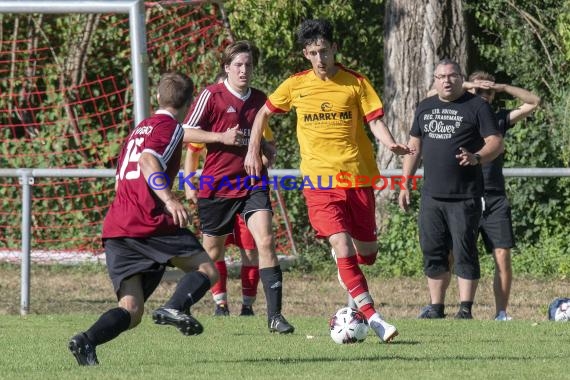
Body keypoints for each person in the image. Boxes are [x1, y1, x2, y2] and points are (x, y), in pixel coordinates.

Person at [244, 19, 413, 343]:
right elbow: (262, 114)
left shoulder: (356, 83)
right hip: (319, 180)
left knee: (368, 253)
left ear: (334, 49)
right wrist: (255, 150)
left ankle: (347, 267)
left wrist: (390, 143)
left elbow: (375, 121)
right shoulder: (295, 84)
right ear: (306, 54)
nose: (319, 58)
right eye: (312, 53)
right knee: (342, 244)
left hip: (358, 177)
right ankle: (376, 320)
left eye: (324, 51)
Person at [68, 72, 218, 366]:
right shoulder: (171, 128)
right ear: (189, 103)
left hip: (117, 223)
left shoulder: (138, 130)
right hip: (145, 219)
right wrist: (169, 199)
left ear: (158, 98)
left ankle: (85, 341)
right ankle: (175, 308)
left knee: (132, 310)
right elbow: (148, 162)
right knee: (206, 269)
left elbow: (120, 179)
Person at [182, 40, 294, 334]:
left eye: (248, 65)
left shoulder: (260, 99)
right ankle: (181, 305)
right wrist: (221, 138)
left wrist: (268, 149)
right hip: (217, 185)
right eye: (238, 65)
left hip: (253, 182)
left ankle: (275, 316)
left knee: (266, 242)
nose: (244, 70)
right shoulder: (211, 95)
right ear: (227, 68)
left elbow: (260, 137)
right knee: (212, 253)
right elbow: (185, 133)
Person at [399, 59, 504, 320]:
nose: (446, 80)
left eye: (452, 76)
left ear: (461, 78)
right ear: (434, 80)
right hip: (431, 195)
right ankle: (436, 307)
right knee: (432, 250)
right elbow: (414, 147)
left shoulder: (477, 106)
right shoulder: (425, 107)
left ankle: (465, 309)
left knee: (464, 249)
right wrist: (405, 183)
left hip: (465, 195)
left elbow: (496, 142)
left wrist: (477, 157)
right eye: (441, 76)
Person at [464, 71, 540, 321]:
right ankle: (459, 309)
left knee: (502, 254)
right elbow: (430, 95)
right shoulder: (458, 116)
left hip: (494, 197)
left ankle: (501, 313)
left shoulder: (498, 120)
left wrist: (503, 87)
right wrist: (468, 85)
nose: (482, 95)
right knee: (455, 254)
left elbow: (533, 101)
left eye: (487, 91)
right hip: (463, 195)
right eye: (478, 90)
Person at [184, 131, 276, 317]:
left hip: (247, 194)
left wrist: (255, 168)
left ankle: (247, 306)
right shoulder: (213, 116)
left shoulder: (258, 116)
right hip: (218, 192)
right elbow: (192, 151)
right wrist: (188, 183)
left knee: (250, 250)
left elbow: (270, 150)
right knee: (214, 251)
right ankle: (221, 304)